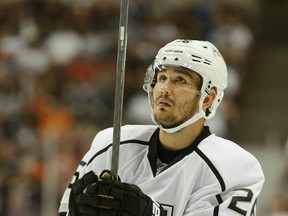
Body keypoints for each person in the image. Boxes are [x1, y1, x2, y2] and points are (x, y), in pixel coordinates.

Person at [58, 39, 265, 216]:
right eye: (162, 78)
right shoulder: (111, 144)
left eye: (180, 80)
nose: (164, 89)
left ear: (208, 98)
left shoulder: (236, 169)